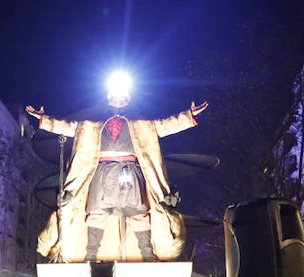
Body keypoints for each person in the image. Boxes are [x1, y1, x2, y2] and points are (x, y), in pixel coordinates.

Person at [26, 77, 209, 262]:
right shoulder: (89, 127)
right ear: (108, 99)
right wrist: (44, 119)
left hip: (130, 172)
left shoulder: (143, 127)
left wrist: (188, 116)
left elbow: (165, 125)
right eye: (115, 97)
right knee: (97, 213)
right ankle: (91, 257)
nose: (119, 101)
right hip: (102, 172)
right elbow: (68, 127)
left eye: (123, 98)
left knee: (138, 213)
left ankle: (148, 255)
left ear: (128, 100)